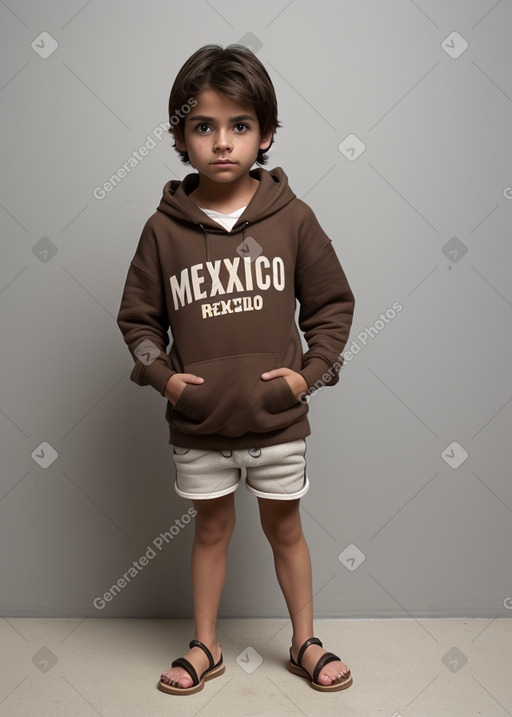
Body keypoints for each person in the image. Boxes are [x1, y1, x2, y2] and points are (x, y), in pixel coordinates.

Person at [117, 44, 355, 695]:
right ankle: (206, 645)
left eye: (240, 125)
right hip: (201, 424)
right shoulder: (162, 232)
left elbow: (333, 304)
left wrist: (311, 373)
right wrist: (163, 378)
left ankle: (304, 639)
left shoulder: (294, 219)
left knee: (286, 527)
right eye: (204, 126)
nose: (223, 142)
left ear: (266, 133)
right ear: (180, 137)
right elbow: (138, 323)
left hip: (278, 420)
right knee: (211, 528)